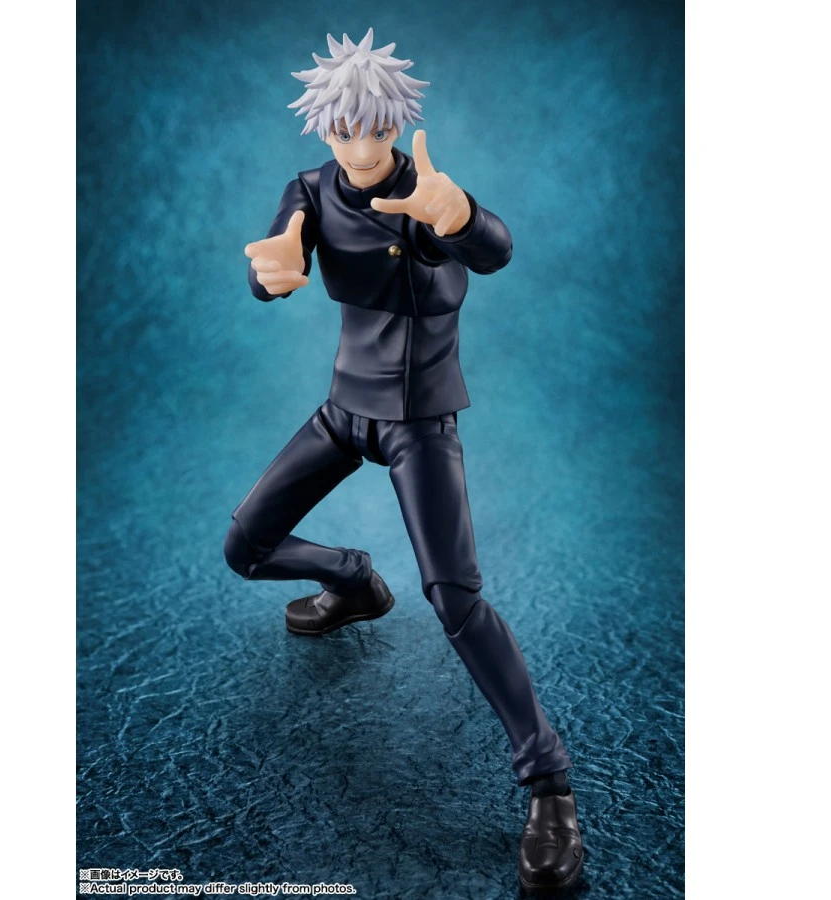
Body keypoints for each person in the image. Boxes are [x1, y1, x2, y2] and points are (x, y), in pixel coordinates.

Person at [224, 28, 584, 892]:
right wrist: (271, 274)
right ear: (324, 128)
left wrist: (457, 217)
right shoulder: (309, 189)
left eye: (374, 129)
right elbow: (273, 261)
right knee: (246, 547)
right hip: (343, 411)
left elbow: (494, 249)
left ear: (395, 125)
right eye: (343, 129)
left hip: (420, 423)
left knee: (456, 599)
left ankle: (550, 785)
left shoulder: (423, 191)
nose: (358, 146)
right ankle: (352, 580)